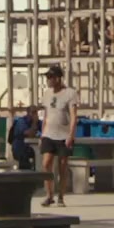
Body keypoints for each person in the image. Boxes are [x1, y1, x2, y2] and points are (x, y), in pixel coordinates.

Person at [39, 65, 78, 208]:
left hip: (63, 135)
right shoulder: (47, 94)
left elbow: (73, 116)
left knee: (62, 166)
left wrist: (71, 135)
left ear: (58, 78)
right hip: (49, 133)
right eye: (47, 77)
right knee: (46, 164)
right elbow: (46, 115)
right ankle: (49, 195)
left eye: (51, 77)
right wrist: (42, 134)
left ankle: (61, 196)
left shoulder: (70, 93)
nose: (48, 80)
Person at [8, 106, 41, 171]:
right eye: (33, 112)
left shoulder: (38, 122)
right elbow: (30, 134)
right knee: (25, 166)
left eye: (36, 112)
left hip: (31, 149)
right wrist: (34, 123)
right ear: (28, 113)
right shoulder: (21, 121)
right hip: (20, 149)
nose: (35, 115)